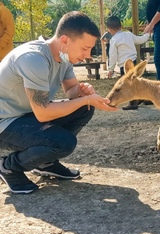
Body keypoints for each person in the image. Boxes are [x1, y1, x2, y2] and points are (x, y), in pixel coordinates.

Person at [0, 11, 117, 194]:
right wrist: (85, 99)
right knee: (63, 142)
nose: (87, 56)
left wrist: (81, 92)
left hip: (25, 116)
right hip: (4, 124)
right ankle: (9, 167)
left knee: (84, 108)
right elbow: (43, 113)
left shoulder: (64, 57)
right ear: (65, 40)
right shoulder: (34, 59)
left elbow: (71, 92)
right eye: (84, 48)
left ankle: (45, 161)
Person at [106, 16, 150, 110]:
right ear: (121, 26)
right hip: (134, 63)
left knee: (127, 86)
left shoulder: (114, 40)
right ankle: (140, 98)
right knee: (136, 83)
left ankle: (133, 104)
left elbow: (112, 55)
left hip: (124, 66)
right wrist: (147, 34)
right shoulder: (129, 35)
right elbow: (140, 40)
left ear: (109, 29)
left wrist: (111, 69)